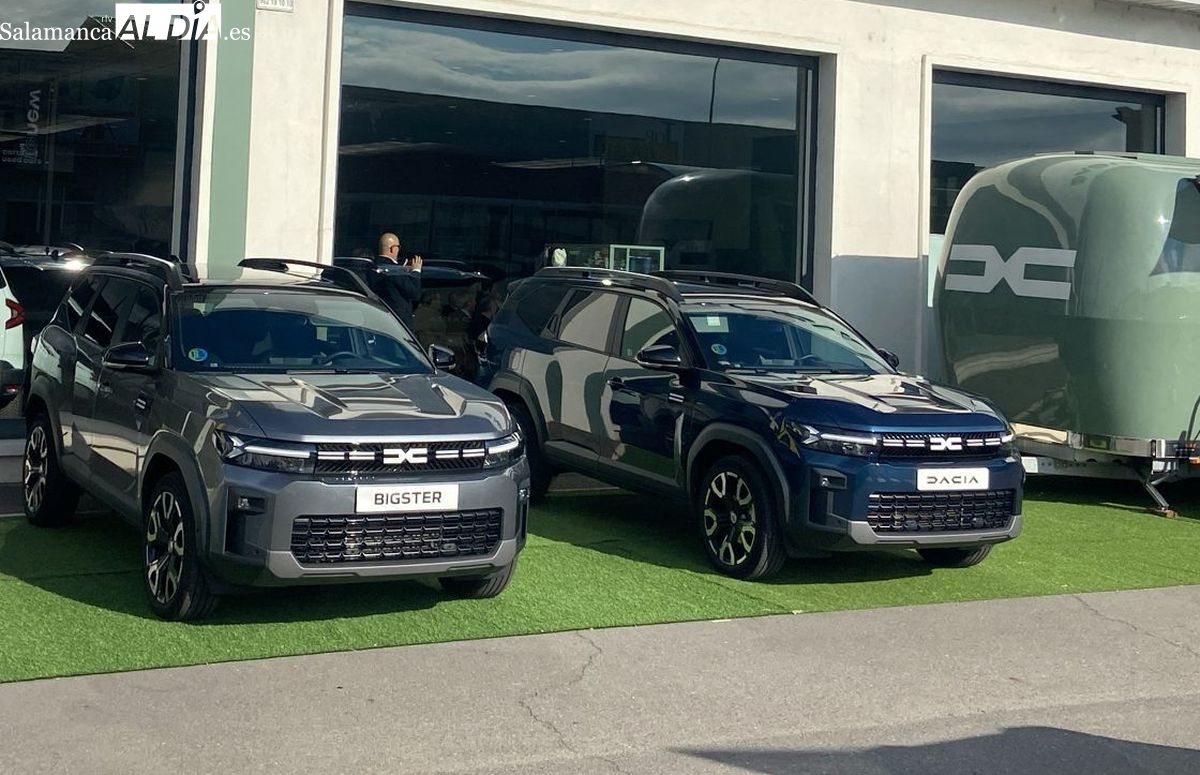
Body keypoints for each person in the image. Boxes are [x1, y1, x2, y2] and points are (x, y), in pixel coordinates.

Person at [371, 232, 423, 329]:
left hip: (378, 318)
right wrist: (416, 271)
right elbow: (414, 293)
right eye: (398, 247)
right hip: (397, 323)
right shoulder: (393, 270)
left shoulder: (373, 267)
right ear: (392, 248)